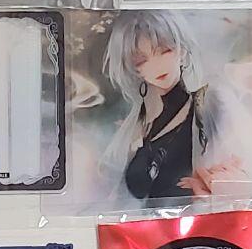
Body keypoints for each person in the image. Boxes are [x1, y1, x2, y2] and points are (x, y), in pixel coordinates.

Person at [98, 11, 244, 202]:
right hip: (146, 220)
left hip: (199, 218)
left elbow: (242, 166)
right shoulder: (140, 124)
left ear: (181, 50)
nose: (157, 65)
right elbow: (127, 190)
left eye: (165, 50)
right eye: (141, 60)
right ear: (135, 70)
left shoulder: (212, 103)